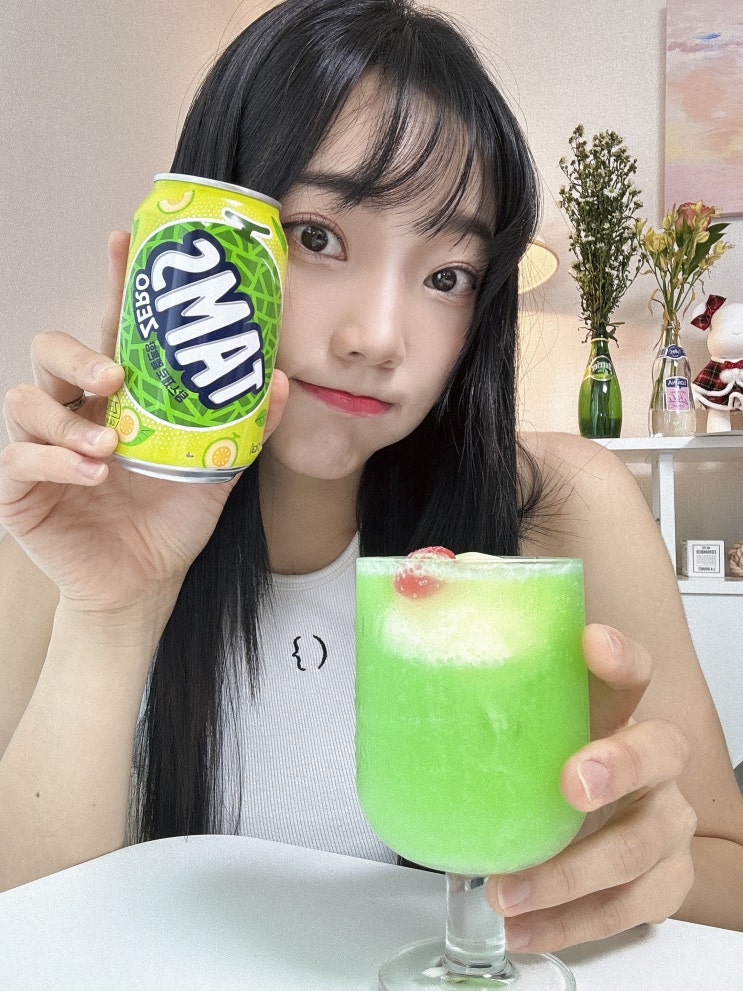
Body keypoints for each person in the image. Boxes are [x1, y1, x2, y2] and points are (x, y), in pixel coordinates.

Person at [1, 0, 742, 954]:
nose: (378, 339)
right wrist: (112, 613)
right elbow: (25, 931)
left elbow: (722, 870)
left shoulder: (558, 508)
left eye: (447, 276)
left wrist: (625, 853)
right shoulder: (68, 509)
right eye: (316, 235)